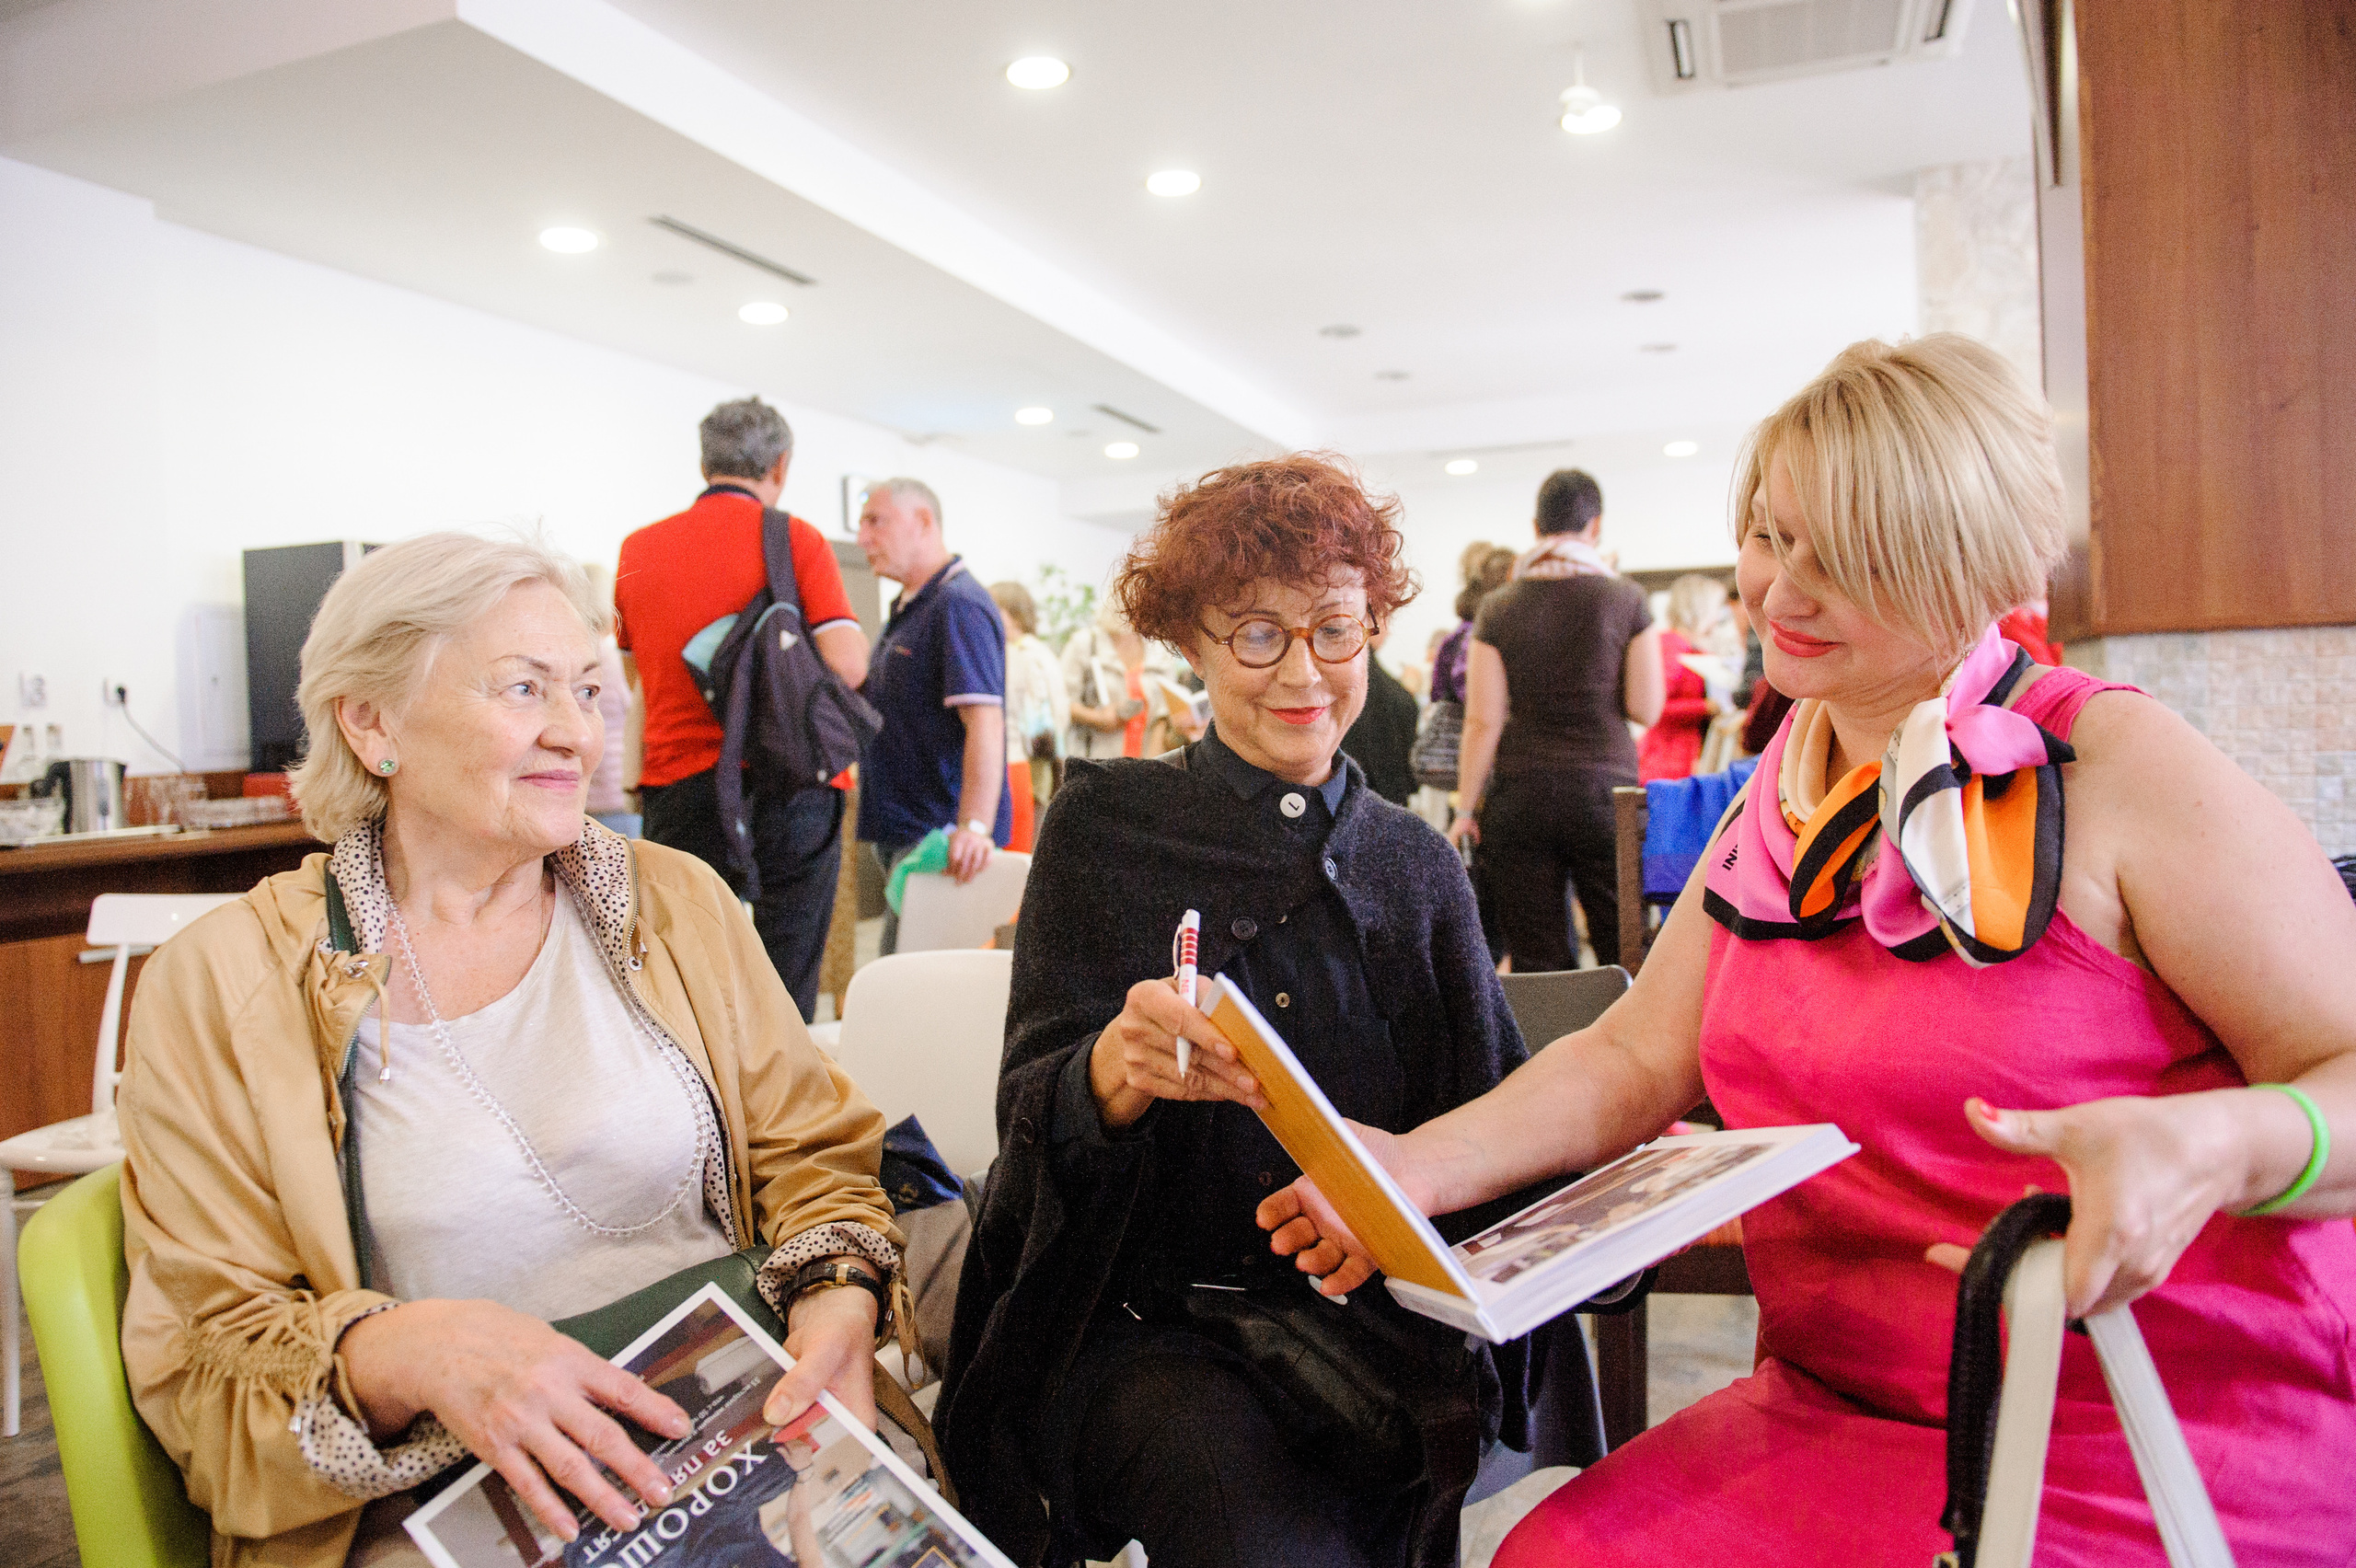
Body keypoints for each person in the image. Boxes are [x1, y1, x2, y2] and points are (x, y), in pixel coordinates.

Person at [1261, 337, 2356, 1566]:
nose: (1779, 593)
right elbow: (1634, 1056)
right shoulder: (1781, 785)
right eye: (1773, 537)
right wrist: (1417, 1168)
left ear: (1977, 571)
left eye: (1853, 561)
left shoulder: (2123, 774)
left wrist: (2221, 1141)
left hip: (2144, 1419)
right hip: (1841, 1402)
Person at [115, 532, 914, 1568]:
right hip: (457, 1496)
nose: (573, 734)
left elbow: (816, 1159)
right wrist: (393, 1351)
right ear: (371, 722)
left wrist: (840, 1296)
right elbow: (203, 1354)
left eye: (588, 689)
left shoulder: (677, 905)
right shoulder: (225, 982)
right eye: (523, 689)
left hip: (739, 1430)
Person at [940, 455, 1541, 1568]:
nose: (1302, 671)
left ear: (1373, 631)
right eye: (1255, 635)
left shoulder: (1414, 865)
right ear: (1195, 647)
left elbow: (1504, 1125)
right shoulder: (1107, 830)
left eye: (1333, 629)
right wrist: (1107, 1079)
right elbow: (1027, 1128)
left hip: (1375, 1333)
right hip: (1154, 1333)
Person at [615, 398, 868, 1020]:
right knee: (786, 976)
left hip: (678, 785)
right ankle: (785, 1104)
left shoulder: (638, 549)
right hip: (789, 783)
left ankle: (704, 1108)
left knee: (686, 978)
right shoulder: (795, 539)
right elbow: (849, 663)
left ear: (705, 463)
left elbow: (638, 671)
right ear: (779, 466)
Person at [1450, 469, 1664, 970]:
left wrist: (1465, 809)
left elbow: (1484, 720)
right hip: (1606, 795)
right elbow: (1645, 707)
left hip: (1522, 797)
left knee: (1539, 958)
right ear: (1596, 526)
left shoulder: (1497, 608)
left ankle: (1550, 1047)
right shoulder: (1627, 600)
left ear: (1535, 526)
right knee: (1624, 948)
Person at [853, 478, 1009, 952]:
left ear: (923, 521)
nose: (863, 538)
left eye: (874, 521)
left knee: (903, 983)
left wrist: (975, 827)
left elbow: (984, 720)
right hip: (905, 829)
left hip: (940, 839)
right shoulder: (911, 606)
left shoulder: (958, 605)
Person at [990, 580, 1068, 850]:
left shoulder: (1022, 653)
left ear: (1010, 613)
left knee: (1025, 846)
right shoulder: (1040, 650)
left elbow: (1034, 714)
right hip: (1043, 758)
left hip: (1032, 758)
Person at [1062, 599, 1189, 761]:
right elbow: (1063, 702)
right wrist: (1096, 718)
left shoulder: (1157, 648)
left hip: (1146, 761)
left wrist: (1153, 765)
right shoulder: (1085, 644)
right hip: (1097, 761)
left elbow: (1162, 713)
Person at [1636, 573, 1728, 782]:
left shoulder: (1690, 647)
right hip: (1667, 758)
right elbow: (1656, 708)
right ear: (1701, 609)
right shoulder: (1672, 644)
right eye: (1716, 609)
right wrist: (1705, 707)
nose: (1718, 617)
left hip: (1682, 755)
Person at [1341, 625, 1421, 805]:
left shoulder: (1372, 680)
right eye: (1386, 619)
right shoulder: (1385, 689)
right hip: (1382, 798)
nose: (1390, 631)